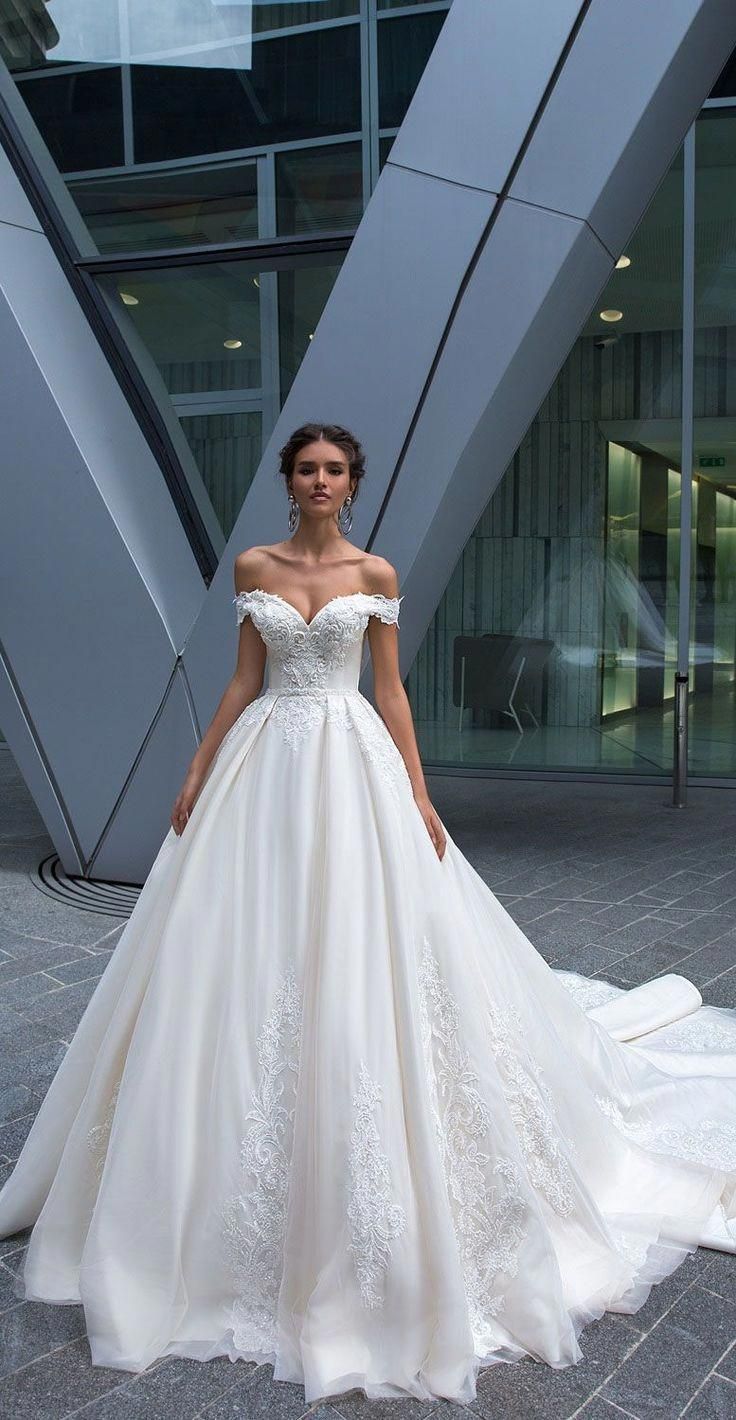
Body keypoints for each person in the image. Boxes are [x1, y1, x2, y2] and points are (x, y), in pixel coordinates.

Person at [0, 421, 735, 1410]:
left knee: (364, 947)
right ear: (287, 478)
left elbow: (388, 690)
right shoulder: (255, 564)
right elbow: (242, 680)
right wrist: (196, 764)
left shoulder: (374, 569)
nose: (318, 482)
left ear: (352, 481)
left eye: (333, 470)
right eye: (305, 468)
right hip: (263, 768)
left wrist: (419, 794)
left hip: (352, 768)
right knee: (234, 950)